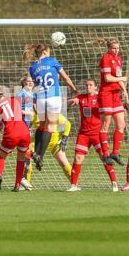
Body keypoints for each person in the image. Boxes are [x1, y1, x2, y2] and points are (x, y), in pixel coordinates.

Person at [23, 43, 77, 171]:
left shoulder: (33, 67)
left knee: (41, 126)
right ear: (45, 51)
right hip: (53, 97)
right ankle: (39, 155)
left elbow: (37, 85)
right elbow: (65, 78)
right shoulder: (52, 61)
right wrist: (74, 89)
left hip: (41, 98)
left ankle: (36, 152)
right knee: (50, 127)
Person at [67, 78, 118, 192]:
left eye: (90, 85)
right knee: (78, 158)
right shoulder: (81, 97)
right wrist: (71, 102)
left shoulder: (100, 98)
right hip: (83, 134)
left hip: (97, 134)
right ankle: (73, 185)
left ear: (96, 87)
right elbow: (70, 102)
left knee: (104, 158)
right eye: (87, 85)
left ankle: (114, 183)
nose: (88, 87)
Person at [97, 38, 128, 166]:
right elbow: (108, 78)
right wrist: (122, 78)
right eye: (114, 48)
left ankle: (115, 152)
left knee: (121, 124)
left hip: (116, 95)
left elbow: (118, 78)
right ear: (109, 48)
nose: (116, 50)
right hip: (106, 94)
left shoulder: (119, 59)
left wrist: (125, 91)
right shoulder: (105, 58)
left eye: (118, 48)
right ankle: (105, 154)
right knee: (106, 125)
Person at [0, 90, 30, 192]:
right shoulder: (15, 99)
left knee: (1, 156)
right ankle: (17, 185)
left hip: (11, 132)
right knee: (21, 158)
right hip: (24, 131)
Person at [23, 112, 73, 188]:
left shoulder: (54, 114)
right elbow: (27, 126)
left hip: (54, 143)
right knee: (27, 157)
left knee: (64, 162)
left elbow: (68, 124)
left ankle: (74, 184)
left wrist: (64, 139)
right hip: (38, 143)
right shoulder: (34, 115)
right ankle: (26, 184)